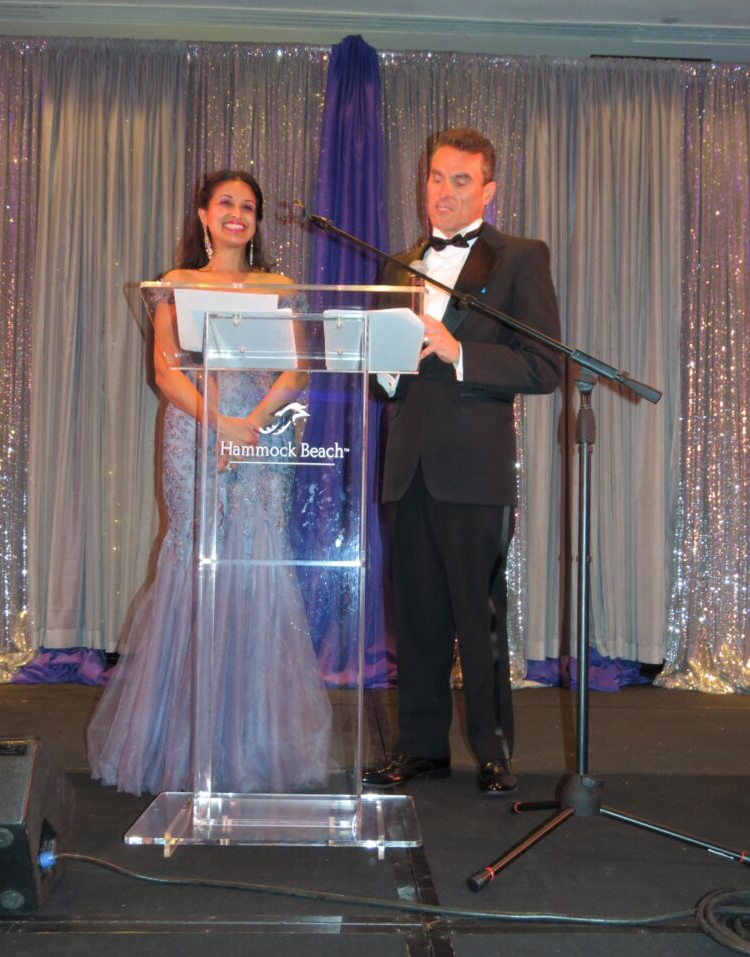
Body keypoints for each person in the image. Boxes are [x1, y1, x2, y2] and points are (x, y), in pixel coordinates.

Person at [87, 170, 332, 796]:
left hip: (263, 434)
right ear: (202, 214)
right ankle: (181, 745)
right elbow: (167, 371)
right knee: (195, 560)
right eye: (225, 203)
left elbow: (297, 370)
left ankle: (252, 742)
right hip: (195, 429)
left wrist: (249, 424)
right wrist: (218, 420)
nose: (237, 214)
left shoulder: (277, 286)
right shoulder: (178, 285)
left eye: (247, 206)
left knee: (256, 560)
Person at [363, 128, 563, 795]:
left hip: (473, 466)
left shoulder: (519, 258)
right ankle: (420, 749)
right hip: (408, 462)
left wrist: (459, 353)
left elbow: (545, 366)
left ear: (488, 189)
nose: (442, 191)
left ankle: (494, 751)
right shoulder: (397, 264)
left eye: (459, 180)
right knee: (415, 618)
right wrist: (379, 366)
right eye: (435, 177)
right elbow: (381, 378)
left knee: (477, 620)